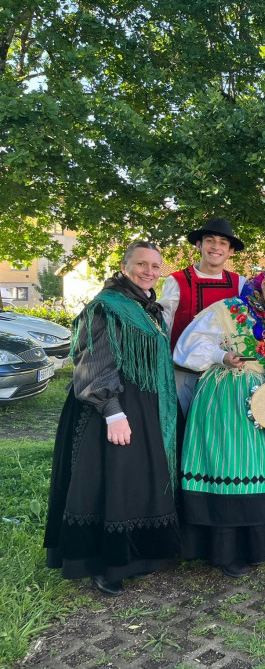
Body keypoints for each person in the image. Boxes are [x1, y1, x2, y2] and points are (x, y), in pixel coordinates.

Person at [45, 241, 179, 596]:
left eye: (155, 266)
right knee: (111, 481)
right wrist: (112, 412)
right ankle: (105, 565)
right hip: (112, 404)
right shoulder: (106, 307)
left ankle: (137, 557)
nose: (149, 271)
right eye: (141, 264)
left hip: (144, 405)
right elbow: (93, 361)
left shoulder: (147, 307)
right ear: (124, 266)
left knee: (135, 481)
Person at [174, 268, 265, 577]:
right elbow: (185, 349)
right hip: (226, 394)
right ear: (264, 284)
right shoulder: (230, 309)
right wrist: (221, 357)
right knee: (227, 463)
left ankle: (254, 545)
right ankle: (225, 550)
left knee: (261, 464)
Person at [158, 217, 247, 416]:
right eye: (210, 240)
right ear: (199, 245)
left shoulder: (240, 284)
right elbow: (164, 326)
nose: (216, 247)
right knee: (181, 424)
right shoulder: (177, 280)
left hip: (224, 373)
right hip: (183, 372)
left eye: (223, 243)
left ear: (230, 251)